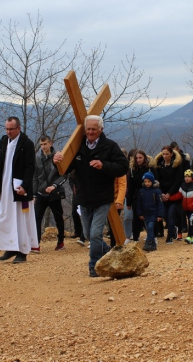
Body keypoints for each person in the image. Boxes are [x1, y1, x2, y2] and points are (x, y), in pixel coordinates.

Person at [53, 115, 128, 277]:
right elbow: (65, 169)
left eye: (94, 129)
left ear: (101, 129)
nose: (91, 132)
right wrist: (57, 161)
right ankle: (108, 251)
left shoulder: (110, 146)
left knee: (95, 234)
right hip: (84, 199)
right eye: (88, 129)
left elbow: (123, 167)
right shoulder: (78, 147)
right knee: (88, 235)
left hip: (103, 198)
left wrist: (104, 165)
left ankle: (94, 266)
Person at [0, 116, 39, 263]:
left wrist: (25, 186)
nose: (8, 132)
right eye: (7, 129)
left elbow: (30, 167)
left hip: (18, 189)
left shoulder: (26, 144)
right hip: (4, 188)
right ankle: (10, 247)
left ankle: (22, 251)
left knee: (20, 220)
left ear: (18, 129)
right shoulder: (3, 141)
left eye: (11, 129)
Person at [33, 135, 68, 251]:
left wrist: (54, 186)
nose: (43, 147)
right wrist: (33, 194)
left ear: (50, 144)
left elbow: (63, 175)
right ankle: (36, 244)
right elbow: (34, 177)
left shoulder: (57, 157)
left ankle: (61, 241)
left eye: (45, 144)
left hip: (54, 193)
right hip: (40, 194)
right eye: (41, 144)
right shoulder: (37, 158)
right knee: (36, 219)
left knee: (58, 218)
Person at [154, 145, 183, 244]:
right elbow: (157, 180)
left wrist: (169, 193)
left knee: (170, 215)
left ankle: (170, 236)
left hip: (173, 195)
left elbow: (178, 181)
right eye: (163, 154)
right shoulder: (159, 166)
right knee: (165, 216)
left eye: (167, 154)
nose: (165, 156)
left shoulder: (176, 166)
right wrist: (162, 193)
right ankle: (172, 230)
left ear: (171, 154)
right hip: (163, 195)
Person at [126, 149, 156, 242]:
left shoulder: (150, 169)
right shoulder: (131, 170)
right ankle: (135, 238)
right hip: (136, 197)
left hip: (149, 196)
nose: (138, 160)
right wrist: (129, 202)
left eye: (140, 157)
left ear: (144, 158)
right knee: (136, 218)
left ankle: (152, 237)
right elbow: (130, 187)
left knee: (149, 218)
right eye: (137, 158)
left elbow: (156, 183)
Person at [171, 169, 193, 244]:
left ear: (192, 177)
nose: (187, 178)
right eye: (185, 176)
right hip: (186, 208)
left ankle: (189, 236)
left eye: (188, 176)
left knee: (191, 221)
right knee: (191, 221)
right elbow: (179, 195)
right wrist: (170, 198)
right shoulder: (183, 185)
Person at [137, 172, 163, 252]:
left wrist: (160, 215)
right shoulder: (141, 191)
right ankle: (153, 245)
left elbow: (160, 204)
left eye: (149, 181)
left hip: (153, 213)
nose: (147, 183)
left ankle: (148, 243)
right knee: (148, 229)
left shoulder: (157, 191)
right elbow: (139, 203)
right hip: (145, 214)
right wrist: (140, 213)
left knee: (151, 227)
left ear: (152, 181)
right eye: (145, 182)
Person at [108, 174, 127, 248]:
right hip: (103, 199)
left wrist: (119, 201)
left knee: (113, 223)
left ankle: (113, 245)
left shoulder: (119, 168)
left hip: (115, 200)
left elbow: (122, 185)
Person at [123, 148, 137, 241]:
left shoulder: (141, 169)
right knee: (127, 217)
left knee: (142, 217)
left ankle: (151, 236)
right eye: (131, 156)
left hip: (139, 195)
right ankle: (128, 236)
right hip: (127, 195)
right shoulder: (125, 168)